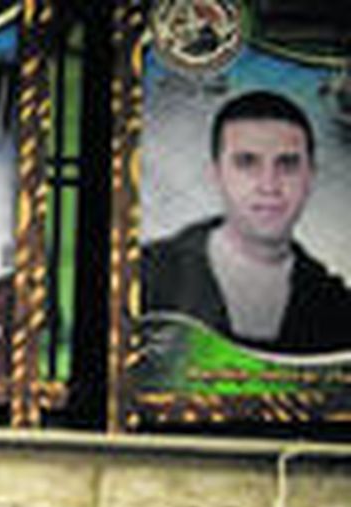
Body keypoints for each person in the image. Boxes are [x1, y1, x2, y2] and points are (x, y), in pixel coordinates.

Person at [142, 89, 351, 354]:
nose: (269, 185)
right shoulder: (145, 276)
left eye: (287, 164)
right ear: (216, 174)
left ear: (310, 177)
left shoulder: (336, 305)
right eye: (247, 162)